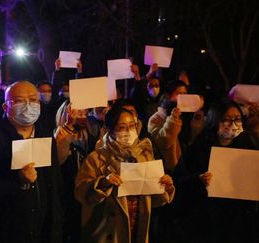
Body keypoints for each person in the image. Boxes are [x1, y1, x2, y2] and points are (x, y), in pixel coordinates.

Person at [0, 81, 63, 243]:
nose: (28, 105)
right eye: (19, 100)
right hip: (4, 233)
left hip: (42, 232)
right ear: (6, 107)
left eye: (33, 100)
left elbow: (54, 184)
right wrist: (16, 182)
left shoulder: (46, 136)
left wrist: (55, 227)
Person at [75, 104, 175, 243]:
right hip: (108, 233)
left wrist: (165, 187)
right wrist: (103, 183)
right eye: (122, 127)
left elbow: (153, 201)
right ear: (110, 131)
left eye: (132, 126)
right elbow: (81, 194)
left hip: (137, 229)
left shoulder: (144, 155)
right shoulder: (96, 158)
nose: (129, 131)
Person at [173, 98, 259, 243]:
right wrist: (198, 178)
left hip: (239, 222)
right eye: (226, 120)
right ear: (215, 121)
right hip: (205, 221)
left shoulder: (248, 146)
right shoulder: (200, 147)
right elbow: (179, 179)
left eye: (237, 119)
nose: (233, 124)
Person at [54, 100, 101, 243]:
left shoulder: (93, 134)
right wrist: (68, 126)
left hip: (89, 190)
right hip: (67, 194)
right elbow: (57, 159)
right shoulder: (59, 134)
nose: (82, 116)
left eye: (84, 113)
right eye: (77, 112)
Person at [147, 80, 189, 173]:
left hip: (184, 166)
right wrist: (173, 119)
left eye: (185, 94)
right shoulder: (156, 118)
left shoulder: (187, 115)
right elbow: (163, 143)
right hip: (167, 170)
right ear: (169, 96)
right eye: (179, 94)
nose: (182, 97)